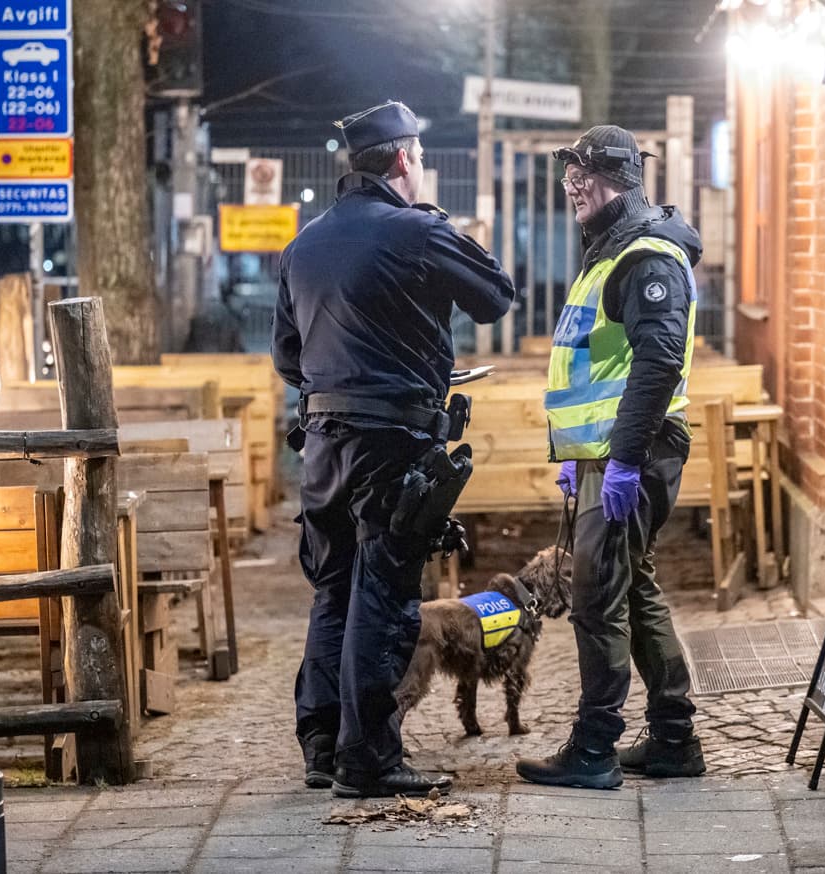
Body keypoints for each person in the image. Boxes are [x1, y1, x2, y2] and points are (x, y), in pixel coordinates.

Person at [273, 100, 515, 798]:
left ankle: (322, 747)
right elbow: (496, 297)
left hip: (321, 444)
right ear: (405, 159)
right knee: (383, 594)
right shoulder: (417, 231)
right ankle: (370, 760)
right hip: (394, 444)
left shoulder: (304, 244)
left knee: (335, 589)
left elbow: (288, 357)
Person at [515, 125, 706, 789]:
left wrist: (620, 459)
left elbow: (658, 361)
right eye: (568, 172)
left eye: (586, 173)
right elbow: (601, 362)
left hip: (637, 452)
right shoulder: (611, 250)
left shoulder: (646, 256)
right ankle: (674, 740)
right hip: (614, 454)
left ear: (622, 179)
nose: (572, 183)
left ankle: (594, 748)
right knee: (636, 583)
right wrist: (582, 453)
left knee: (597, 600)